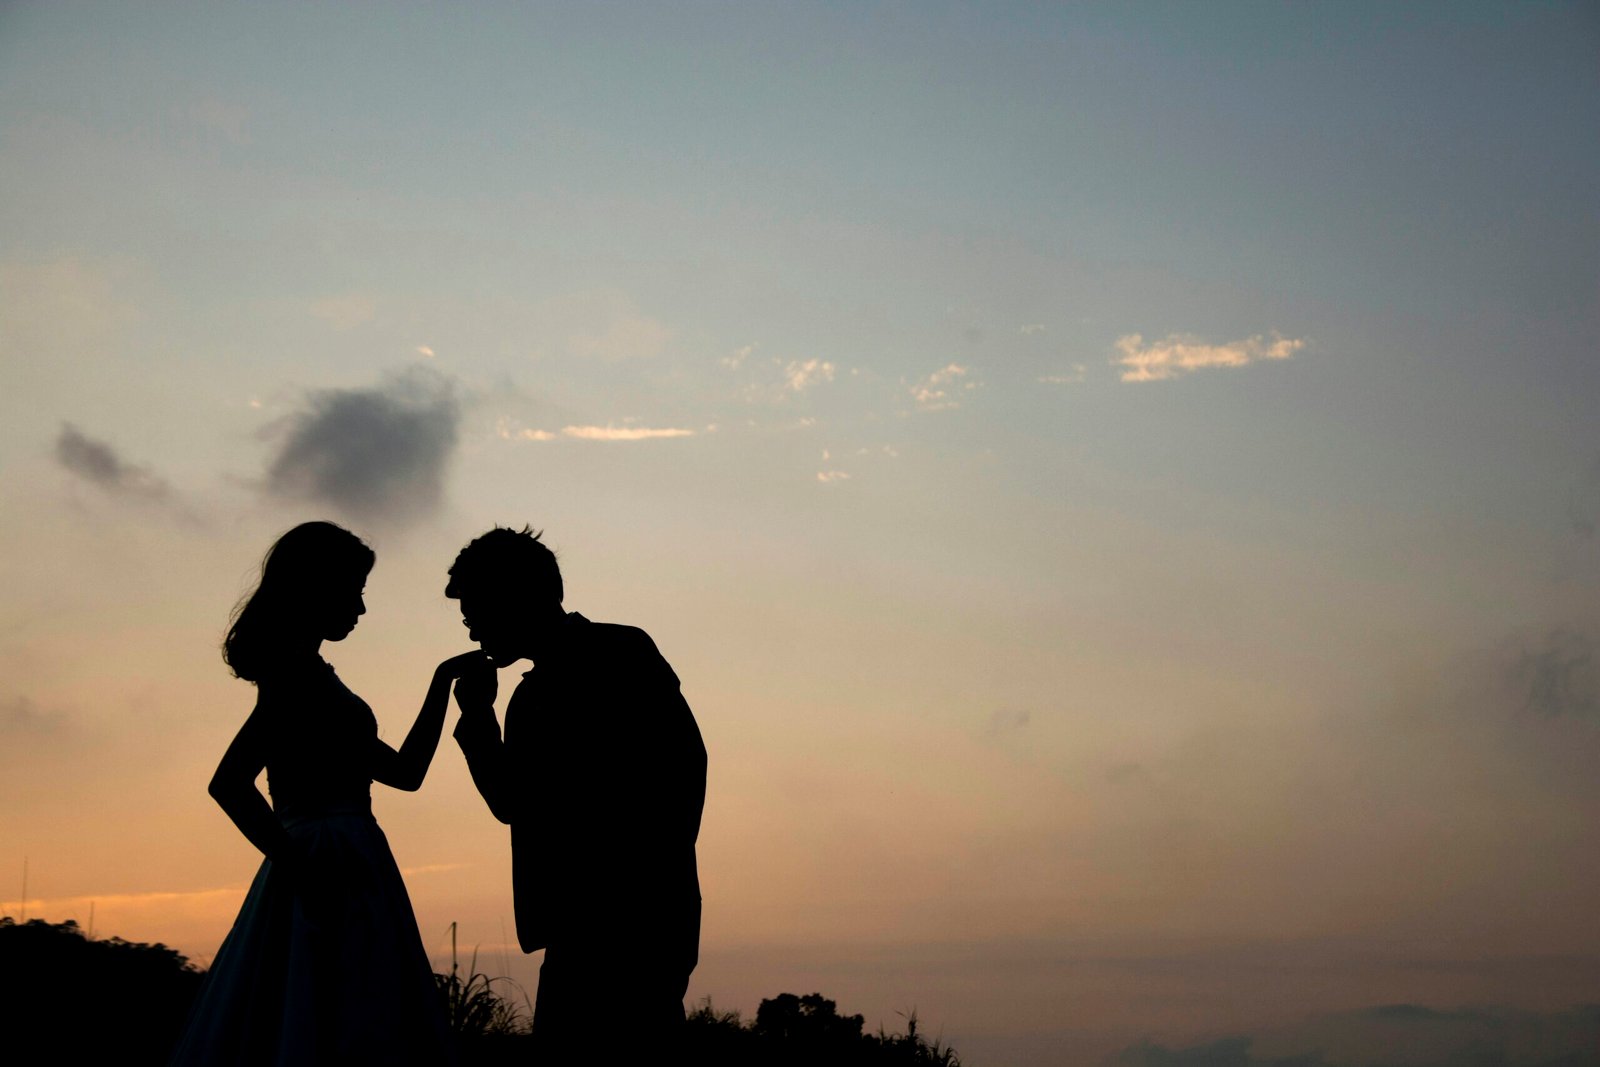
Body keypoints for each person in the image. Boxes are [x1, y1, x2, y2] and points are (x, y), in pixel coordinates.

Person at [170, 521, 479, 1067]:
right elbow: (229, 784)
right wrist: (299, 866)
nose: (360, 608)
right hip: (327, 853)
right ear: (315, 589)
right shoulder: (294, 678)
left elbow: (404, 773)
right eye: (353, 590)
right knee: (336, 1008)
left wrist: (441, 684)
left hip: (346, 852)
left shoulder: (312, 678)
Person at [444, 525, 706, 1059]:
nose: (472, 631)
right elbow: (511, 804)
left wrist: (649, 872)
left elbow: (683, 768)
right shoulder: (527, 698)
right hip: (580, 925)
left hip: (636, 921)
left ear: (517, 598)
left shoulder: (622, 652)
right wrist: (477, 719)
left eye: (477, 612)